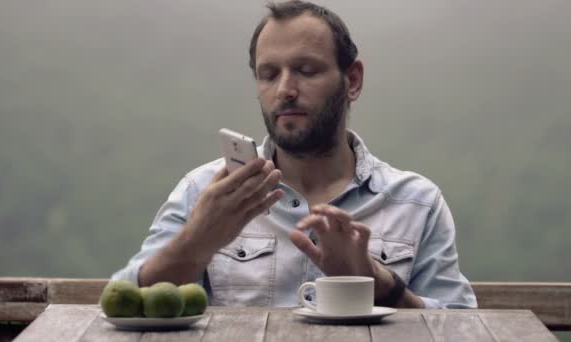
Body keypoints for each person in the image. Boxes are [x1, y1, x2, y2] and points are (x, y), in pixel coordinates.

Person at [112, 0, 477, 309]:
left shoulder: (417, 202)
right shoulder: (204, 191)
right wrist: (197, 241)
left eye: (306, 70)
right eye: (269, 74)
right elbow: (123, 302)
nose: (285, 89)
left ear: (352, 81)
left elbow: (463, 328)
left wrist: (382, 287)